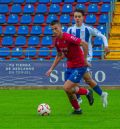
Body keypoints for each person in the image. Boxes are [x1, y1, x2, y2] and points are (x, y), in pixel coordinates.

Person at [46, 20, 94, 114]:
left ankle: (87, 92)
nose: (54, 31)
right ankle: (77, 110)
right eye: (52, 29)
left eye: (56, 28)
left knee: (66, 87)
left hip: (80, 65)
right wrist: (51, 69)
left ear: (60, 27)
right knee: (69, 90)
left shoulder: (68, 37)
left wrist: (85, 60)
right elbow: (59, 55)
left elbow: (84, 44)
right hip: (70, 66)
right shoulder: (57, 42)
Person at [67, 8, 110, 108]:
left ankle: (79, 98)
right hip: (74, 59)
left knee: (76, 81)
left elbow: (103, 36)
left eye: (79, 17)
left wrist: (106, 46)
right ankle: (101, 94)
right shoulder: (70, 30)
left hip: (86, 58)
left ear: (83, 18)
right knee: (86, 80)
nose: (77, 18)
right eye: (75, 17)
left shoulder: (88, 29)